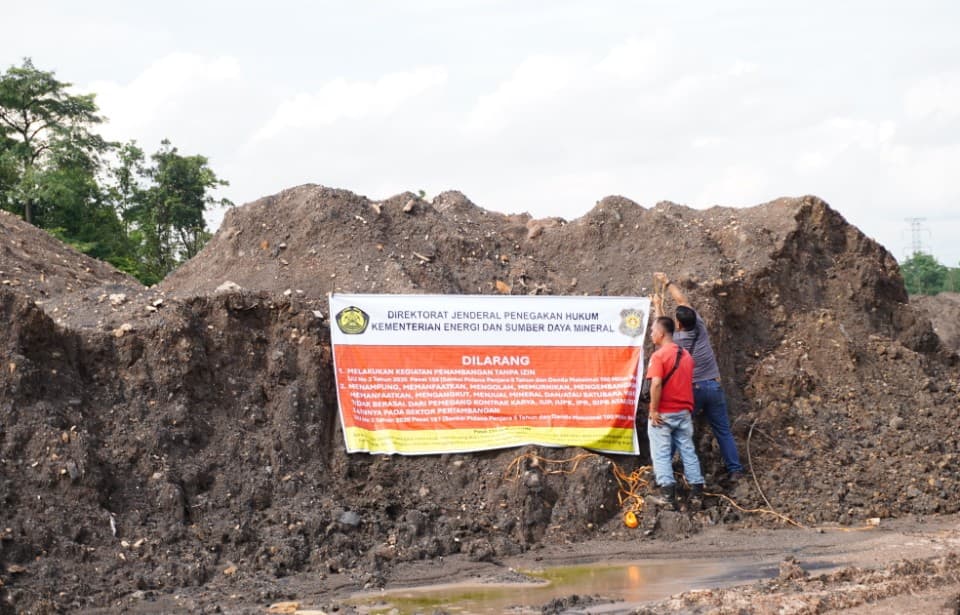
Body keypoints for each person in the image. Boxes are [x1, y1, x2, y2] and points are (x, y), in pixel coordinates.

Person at [654, 272, 745, 484]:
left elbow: (660, 330)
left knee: (676, 429)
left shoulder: (675, 341)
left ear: (677, 325)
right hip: (713, 387)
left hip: (691, 392)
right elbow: (682, 300)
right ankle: (736, 470)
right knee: (723, 431)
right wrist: (668, 281)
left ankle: (663, 469)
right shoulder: (699, 325)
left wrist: (657, 306)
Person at [646, 316, 704, 511]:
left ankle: (668, 497)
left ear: (661, 334)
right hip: (684, 412)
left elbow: (656, 383)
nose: (651, 334)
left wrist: (653, 410)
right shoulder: (686, 356)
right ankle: (697, 493)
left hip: (664, 413)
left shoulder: (658, 356)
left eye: (653, 330)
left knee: (661, 454)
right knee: (688, 451)